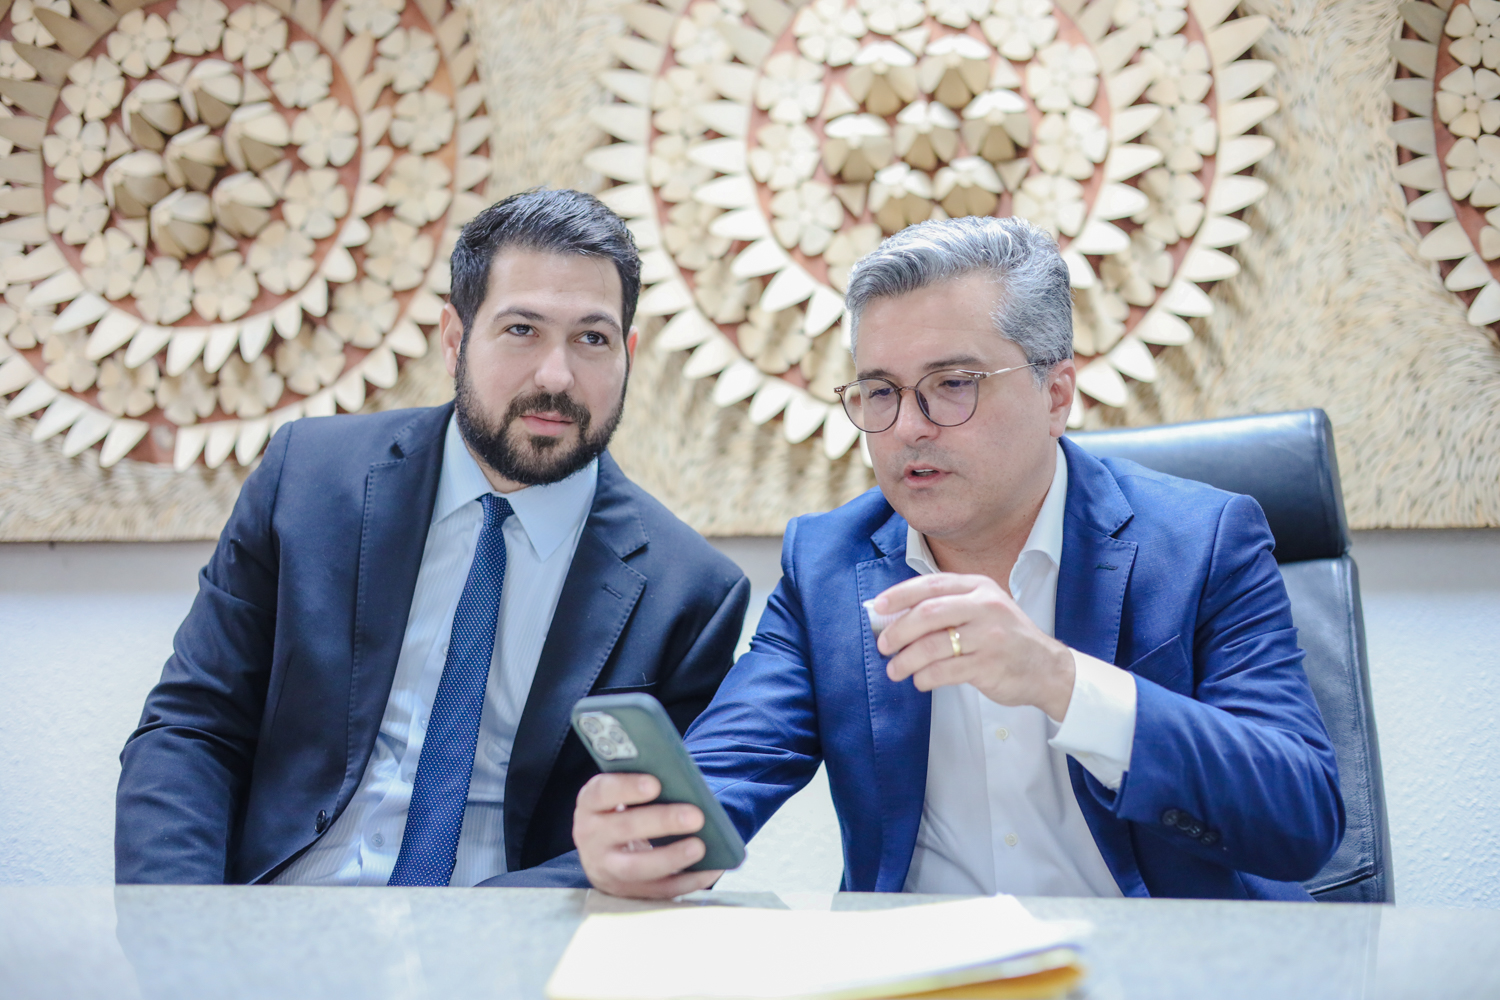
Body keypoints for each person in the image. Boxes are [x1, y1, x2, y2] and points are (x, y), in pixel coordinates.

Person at [571, 215, 1344, 901]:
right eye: (881, 391)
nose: (909, 426)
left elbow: (1303, 818)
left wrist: (1058, 679)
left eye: (951, 384)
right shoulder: (829, 564)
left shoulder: (1203, 541)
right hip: (926, 974)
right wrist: (647, 836)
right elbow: (723, 776)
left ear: (1056, 394)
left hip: (1157, 969)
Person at [115, 189, 750, 887]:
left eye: (592, 339)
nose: (557, 376)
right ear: (454, 339)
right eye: (522, 330)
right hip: (284, 909)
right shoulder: (308, 480)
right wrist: (183, 927)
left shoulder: (690, 591)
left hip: (512, 929)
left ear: (628, 354)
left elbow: (664, 839)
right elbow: (193, 726)